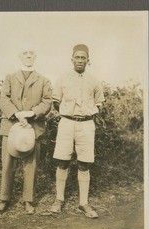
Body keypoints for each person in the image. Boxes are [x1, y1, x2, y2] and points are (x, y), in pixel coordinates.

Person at [0, 46, 52, 214]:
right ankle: (4, 199)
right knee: (7, 163)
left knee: (31, 164)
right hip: (11, 125)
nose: (28, 56)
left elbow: (47, 102)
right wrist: (17, 114)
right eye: (25, 53)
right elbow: (3, 99)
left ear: (35, 56)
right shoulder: (10, 78)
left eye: (31, 53)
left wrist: (30, 113)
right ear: (20, 56)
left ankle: (28, 200)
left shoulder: (43, 80)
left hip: (33, 127)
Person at [50, 44, 105, 218]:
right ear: (72, 59)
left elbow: (99, 103)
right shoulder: (63, 79)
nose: (80, 60)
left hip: (87, 124)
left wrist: (86, 116)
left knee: (84, 162)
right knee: (63, 161)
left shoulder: (94, 81)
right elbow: (56, 101)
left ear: (88, 60)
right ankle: (59, 199)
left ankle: (83, 203)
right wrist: (68, 113)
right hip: (67, 122)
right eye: (77, 57)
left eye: (83, 58)